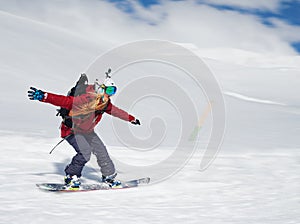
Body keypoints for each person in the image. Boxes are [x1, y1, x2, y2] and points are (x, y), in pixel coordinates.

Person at [27, 74, 140, 189]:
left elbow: (116, 111)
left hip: (87, 131)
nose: (110, 94)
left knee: (101, 150)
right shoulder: (85, 99)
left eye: (113, 91)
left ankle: (109, 176)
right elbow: (64, 101)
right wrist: (44, 96)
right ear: (100, 89)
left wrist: (131, 118)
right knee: (84, 152)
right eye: (109, 90)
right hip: (72, 131)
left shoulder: (104, 103)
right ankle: (71, 177)